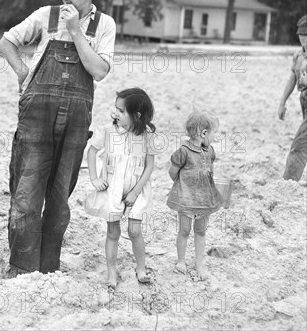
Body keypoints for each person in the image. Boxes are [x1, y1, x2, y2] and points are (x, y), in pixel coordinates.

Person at [0, 0, 116, 275]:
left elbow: (99, 71)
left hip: (76, 121)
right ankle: (21, 267)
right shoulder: (44, 16)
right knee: (26, 194)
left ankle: (48, 269)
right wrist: (23, 73)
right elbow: (7, 41)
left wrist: (77, 31)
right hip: (36, 115)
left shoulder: (104, 26)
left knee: (59, 199)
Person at [84, 88, 158, 289]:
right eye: (115, 108)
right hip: (113, 188)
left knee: (135, 231)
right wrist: (94, 178)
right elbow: (92, 151)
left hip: (137, 188)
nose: (115, 113)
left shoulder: (146, 136)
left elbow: (150, 165)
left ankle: (141, 269)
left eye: (121, 111)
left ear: (137, 115)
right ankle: (111, 272)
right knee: (113, 232)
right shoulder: (107, 132)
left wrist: (135, 192)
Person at [166, 111, 222, 281]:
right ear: (204, 133)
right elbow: (172, 172)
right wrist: (183, 185)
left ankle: (199, 263)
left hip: (204, 201)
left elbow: (210, 171)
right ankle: (181, 260)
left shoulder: (210, 151)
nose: (214, 137)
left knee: (201, 231)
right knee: (184, 230)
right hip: (186, 200)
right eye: (213, 133)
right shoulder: (183, 151)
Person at [278, 14, 307, 181]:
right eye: (301, 35)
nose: (303, 38)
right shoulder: (299, 55)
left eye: (306, 35)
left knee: (299, 145)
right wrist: (282, 103)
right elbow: (292, 78)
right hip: (303, 100)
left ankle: (288, 182)